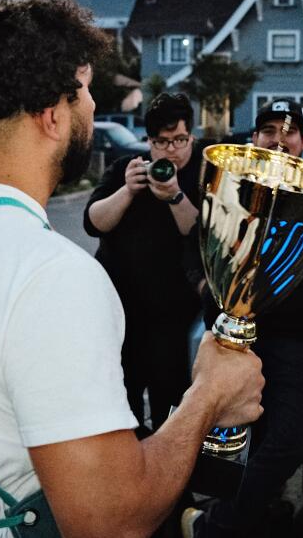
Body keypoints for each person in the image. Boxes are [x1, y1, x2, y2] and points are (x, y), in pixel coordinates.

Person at [0, 0, 264, 536]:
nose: (92, 104)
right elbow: (111, 520)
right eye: (85, 88)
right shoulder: (51, 275)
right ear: (52, 115)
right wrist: (208, 396)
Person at [182, 100, 303, 538]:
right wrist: (210, 292)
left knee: (290, 437)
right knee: (235, 441)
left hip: (296, 341)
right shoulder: (232, 188)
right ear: (253, 139)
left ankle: (216, 525)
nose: (279, 139)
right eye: (268, 130)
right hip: (237, 338)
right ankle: (250, 515)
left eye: (289, 130)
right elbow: (199, 253)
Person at [85, 92, 204, 432]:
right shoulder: (127, 169)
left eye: (179, 140)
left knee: (171, 403)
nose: (171, 151)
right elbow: (93, 222)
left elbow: (201, 234)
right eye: (161, 142)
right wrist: (127, 191)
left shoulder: (200, 173)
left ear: (191, 137)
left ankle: (170, 480)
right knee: (123, 403)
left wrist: (174, 196)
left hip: (173, 315)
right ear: (148, 142)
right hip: (122, 313)